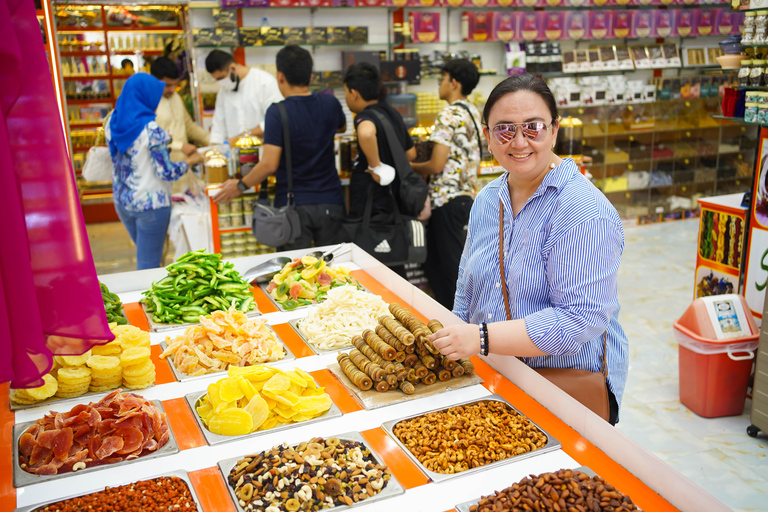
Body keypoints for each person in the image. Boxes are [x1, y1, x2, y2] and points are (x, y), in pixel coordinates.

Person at [429, 75, 629, 425]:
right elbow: (467, 290)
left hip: (564, 387)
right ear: (487, 137)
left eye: (533, 128)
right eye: (504, 129)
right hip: (497, 378)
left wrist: (480, 339)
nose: (519, 142)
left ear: (554, 131)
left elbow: (578, 320)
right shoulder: (489, 199)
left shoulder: (582, 210)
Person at [213, 46, 346, 251]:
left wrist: (240, 185)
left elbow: (268, 164)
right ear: (310, 76)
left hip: (293, 207)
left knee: (295, 275)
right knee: (335, 270)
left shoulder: (278, 112)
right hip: (331, 202)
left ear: (280, 76)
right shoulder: (330, 103)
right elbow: (342, 127)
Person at [105, 73, 202, 270]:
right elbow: (167, 173)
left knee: (146, 254)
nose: (157, 104)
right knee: (148, 265)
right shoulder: (152, 131)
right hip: (151, 206)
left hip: (124, 202)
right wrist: (191, 161)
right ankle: (146, 299)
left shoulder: (113, 123)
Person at [411, 59, 482, 310]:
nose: (439, 84)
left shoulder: (449, 113)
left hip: (446, 198)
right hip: (465, 196)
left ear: (453, 82)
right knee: (439, 261)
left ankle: (459, 320)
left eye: (441, 79)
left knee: (450, 266)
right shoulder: (473, 112)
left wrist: (410, 168)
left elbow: (436, 164)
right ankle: (449, 314)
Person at [343, 62, 417, 220]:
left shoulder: (365, 116)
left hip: (371, 204)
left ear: (354, 93)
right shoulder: (392, 113)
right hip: (394, 201)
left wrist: (376, 167)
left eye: (346, 92)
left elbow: (367, 133)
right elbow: (411, 154)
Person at [205, 50, 283, 144]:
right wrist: (215, 150)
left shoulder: (265, 82)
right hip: (233, 154)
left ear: (233, 68)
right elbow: (218, 127)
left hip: (263, 151)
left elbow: (275, 122)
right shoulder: (223, 92)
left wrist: (240, 137)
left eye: (221, 78)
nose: (220, 83)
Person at [150, 57, 209, 163]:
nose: (172, 89)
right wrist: (179, 146)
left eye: (175, 84)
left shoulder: (176, 98)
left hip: (184, 164)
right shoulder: (148, 102)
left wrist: (211, 140)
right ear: (154, 81)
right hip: (163, 167)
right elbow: (148, 138)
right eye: (167, 85)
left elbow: (189, 126)